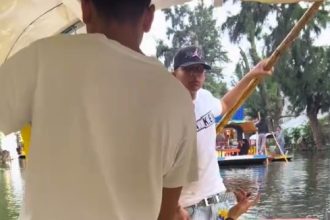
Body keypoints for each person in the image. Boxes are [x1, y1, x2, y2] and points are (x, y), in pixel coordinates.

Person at [0, 1, 199, 220]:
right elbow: (167, 213)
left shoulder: (44, 58)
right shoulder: (178, 99)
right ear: (149, 18)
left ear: (85, 8)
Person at [172, 46, 272, 220]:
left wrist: (251, 75)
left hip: (218, 201)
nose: (195, 75)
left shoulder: (205, 97)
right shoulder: (165, 112)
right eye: (188, 69)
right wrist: (173, 208)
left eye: (199, 70)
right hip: (187, 208)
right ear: (174, 74)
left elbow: (225, 104)